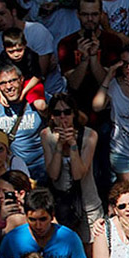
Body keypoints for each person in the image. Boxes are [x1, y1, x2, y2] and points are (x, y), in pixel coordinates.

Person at [41, 92, 100, 241]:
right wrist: (59, 146)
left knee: (88, 250)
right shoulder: (46, 135)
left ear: (74, 114)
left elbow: (79, 174)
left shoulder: (89, 135)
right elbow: (53, 174)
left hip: (87, 204)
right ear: (52, 116)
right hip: (61, 205)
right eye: (57, 113)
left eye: (67, 112)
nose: (63, 118)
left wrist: (73, 145)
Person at [0, 63, 45, 182]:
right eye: (3, 83)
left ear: (21, 80)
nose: (9, 86)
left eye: (13, 80)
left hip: (42, 168)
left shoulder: (36, 99)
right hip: (12, 170)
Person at [92, 45, 129, 183]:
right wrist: (108, 77)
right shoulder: (114, 85)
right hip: (121, 149)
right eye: (125, 63)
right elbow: (97, 106)